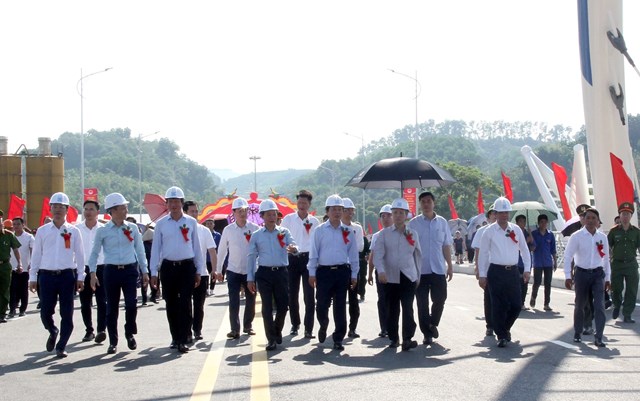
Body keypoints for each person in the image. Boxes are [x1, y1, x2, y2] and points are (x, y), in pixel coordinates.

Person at [89, 193, 148, 354]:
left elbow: (140, 250)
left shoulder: (133, 228)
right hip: (111, 271)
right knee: (111, 308)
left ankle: (129, 332)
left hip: (129, 270)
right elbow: (94, 253)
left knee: (131, 304)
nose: (126, 210)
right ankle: (113, 341)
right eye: (123, 207)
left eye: (125, 207)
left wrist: (145, 271)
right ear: (113, 210)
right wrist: (92, 273)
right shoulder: (103, 230)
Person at [149, 186, 205, 354]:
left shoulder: (191, 222)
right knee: (171, 303)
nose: (174, 205)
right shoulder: (160, 224)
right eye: (170, 201)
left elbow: (197, 246)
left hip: (187, 267)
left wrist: (199, 270)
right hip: (168, 267)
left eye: (176, 201)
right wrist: (153, 272)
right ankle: (175, 337)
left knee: (186, 303)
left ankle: (184, 337)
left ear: (182, 203)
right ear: (167, 204)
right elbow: (156, 249)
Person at [29, 192, 85, 357]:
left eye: (62, 207)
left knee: (67, 312)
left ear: (67, 209)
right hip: (46, 276)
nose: (58, 210)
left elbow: (80, 256)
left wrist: (80, 277)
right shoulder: (42, 231)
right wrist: (33, 277)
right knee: (45, 311)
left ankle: (61, 346)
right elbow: (36, 255)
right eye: (55, 206)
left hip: (67, 276)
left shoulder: (74, 231)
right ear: (50, 208)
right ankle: (52, 330)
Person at [307, 195, 359, 351]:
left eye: (340, 209)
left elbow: (354, 255)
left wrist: (354, 274)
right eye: (334, 209)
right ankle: (323, 324)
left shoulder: (348, 231)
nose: (337, 212)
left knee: (340, 306)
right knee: (321, 304)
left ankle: (338, 338)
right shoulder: (319, 230)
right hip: (324, 272)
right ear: (327, 211)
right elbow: (314, 253)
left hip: (342, 272)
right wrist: (312, 272)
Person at [478, 197, 531, 348]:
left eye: (506, 213)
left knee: (516, 304)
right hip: (496, 271)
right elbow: (483, 254)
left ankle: (504, 328)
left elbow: (525, 251)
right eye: (500, 213)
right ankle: (501, 335)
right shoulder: (489, 232)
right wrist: (482, 275)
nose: (504, 216)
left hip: (512, 271)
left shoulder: (516, 230)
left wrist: (527, 269)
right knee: (498, 305)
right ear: (495, 213)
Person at [247, 199, 297, 351]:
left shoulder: (284, 232)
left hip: (281, 273)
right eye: (268, 214)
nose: (272, 217)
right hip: (264, 274)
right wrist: (250, 278)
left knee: (283, 306)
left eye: (274, 214)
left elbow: (293, 245)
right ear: (262, 216)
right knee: (267, 307)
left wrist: (293, 249)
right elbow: (251, 256)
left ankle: (277, 330)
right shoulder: (256, 235)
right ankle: (271, 339)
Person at [373, 198, 422, 351]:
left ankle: (407, 338)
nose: (398, 215)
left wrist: (417, 276)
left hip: (408, 276)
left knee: (408, 307)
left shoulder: (412, 234)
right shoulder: (383, 234)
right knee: (392, 309)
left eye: (401, 213)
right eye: (395, 213)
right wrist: (380, 271)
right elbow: (378, 255)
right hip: (390, 277)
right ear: (391, 215)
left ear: (406, 214)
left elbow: (418, 256)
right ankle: (394, 338)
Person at [408, 191, 453, 345]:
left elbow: (446, 245)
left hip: (438, 269)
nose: (426, 204)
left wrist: (450, 266)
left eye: (429, 201)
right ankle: (427, 333)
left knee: (440, 299)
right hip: (420, 270)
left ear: (434, 203)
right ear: (420, 204)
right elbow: (409, 248)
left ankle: (433, 323)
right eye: (423, 202)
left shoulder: (442, 223)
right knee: (422, 303)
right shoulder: (413, 224)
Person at [564, 207, 611, 347]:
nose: (591, 221)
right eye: (588, 218)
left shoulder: (602, 237)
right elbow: (567, 256)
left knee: (600, 306)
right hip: (581, 274)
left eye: (594, 218)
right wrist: (568, 276)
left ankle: (599, 336)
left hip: (597, 274)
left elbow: (606, 258)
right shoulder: (576, 236)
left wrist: (608, 278)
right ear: (584, 220)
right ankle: (578, 332)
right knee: (580, 304)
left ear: (598, 221)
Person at [218, 197, 259, 339]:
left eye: (245, 211)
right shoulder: (228, 230)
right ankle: (234, 329)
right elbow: (222, 250)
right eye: (239, 211)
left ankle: (248, 325)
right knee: (234, 300)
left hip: (250, 271)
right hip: (233, 270)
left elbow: (260, 249)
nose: (242, 213)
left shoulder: (254, 228)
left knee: (250, 299)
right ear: (234, 212)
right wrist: (218, 270)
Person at [280, 189, 320, 338]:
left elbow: (317, 244)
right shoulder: (288, 219)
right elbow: (281, 238)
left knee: (309, 295)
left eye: (305, 203)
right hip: (292, 259)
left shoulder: (315, 222)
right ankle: (295, 324)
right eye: (299, 202)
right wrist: (286, 248)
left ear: (309, 204)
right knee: (292, 295)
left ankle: (308, 328)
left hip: (308, 259)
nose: (302, 205)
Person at [183, 200, 219, 341]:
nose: (195, 214)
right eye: (192, 211)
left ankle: (197, 329)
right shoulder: (182, 228)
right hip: (185, 273)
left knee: (199, 305)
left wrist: (214, 270)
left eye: (196, 211)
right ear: (185, 212)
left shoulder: (204, 230)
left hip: (202, 273)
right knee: (186, 304)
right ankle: (187, 331)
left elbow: (212, 251)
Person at [76, 199, 107, 343]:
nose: (88, 212)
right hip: (84, 269)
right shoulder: (77, 229)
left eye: (91, 209)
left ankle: (102, 329)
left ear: (97, 212)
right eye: (86, 209)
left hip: (101, 268)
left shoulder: (103, 229)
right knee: (85, 302)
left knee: (102, 301)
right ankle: (89, 330)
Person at [607, 202, 639, 323]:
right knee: (616, 288)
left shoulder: (636, 232)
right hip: (617, 264)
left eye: (627, 214)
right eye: (623, 214)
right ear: (619, 216)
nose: (625, 216)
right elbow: (606, 247)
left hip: (631, 264)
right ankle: (616, 304)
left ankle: (627, 314)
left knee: (632, 290)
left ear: (631, 216)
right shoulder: (614, 231)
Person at [339, 198, 366, 339]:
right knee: (340, 300)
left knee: (353, 300)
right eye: (346, 210)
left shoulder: (357, 228)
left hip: (353, 267)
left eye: (351, 210)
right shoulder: (336, 228)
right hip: (339, 268)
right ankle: (340, 328)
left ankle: (352, 328)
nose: (349, 213)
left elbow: (360, 247)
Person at [367, 204, 393, 337]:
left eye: (389, 215)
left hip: (395, 272)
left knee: (393, 300)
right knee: (382, 299)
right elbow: (373, 255)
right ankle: (384, 327)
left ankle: (393, 326)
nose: (386, 218)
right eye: (383, 216)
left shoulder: (401, 233)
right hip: (381, 272)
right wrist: (370, 273)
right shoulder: (376, 236)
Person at [472, 208, 496, 336]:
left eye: (497, 215)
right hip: (486, 269)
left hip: (500, 269)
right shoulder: (481, 232)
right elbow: (478, 251)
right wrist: (478, 269)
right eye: (493, 216)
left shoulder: (505, 231)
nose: (495, 218)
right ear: (488, 218)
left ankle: (500, 323)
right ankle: (490, 325)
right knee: (489, 297)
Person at [529, 214, 557, 311]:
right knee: (537, 282)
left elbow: (553, 249)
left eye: (545, 222)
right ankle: (533, 297)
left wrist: (555, 261)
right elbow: (532, 248)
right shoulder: (534, 234)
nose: (543, 224)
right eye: (541, 222)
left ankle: (546, 303)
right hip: (538, 263)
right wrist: (530, 237)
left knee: (548, 283)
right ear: (538, 223)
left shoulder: (550, 234)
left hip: (548, 262)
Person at [8, 218, 34, 318]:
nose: (16, 226)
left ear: (23, 225)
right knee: (12, 289)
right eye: (14, 224)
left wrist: (31, 263)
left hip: (25, 268)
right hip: (12, 267)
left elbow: (33, 251)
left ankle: (22, 309)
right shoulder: (10, 236)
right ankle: (12, 309)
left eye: (18, 224)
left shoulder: (29, 237)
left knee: (23, 289)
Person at [1, 213, 22, 323]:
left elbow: (15, 249)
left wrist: (19, 263)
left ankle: (2, 314)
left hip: (4, 266)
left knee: (5, 290)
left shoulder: (9, 235)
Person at [514, 214, 534, 310]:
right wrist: (526, 240)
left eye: (524, 221)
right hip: (516, 262)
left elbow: (534, 246)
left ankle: (522, 302)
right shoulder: (513, 233)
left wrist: (530, 234)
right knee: (516, 283)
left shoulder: (526, 233)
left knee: (525, 283)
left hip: (526, 263)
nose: (523, 223)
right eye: (521, 221)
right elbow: (516, 246)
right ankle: (516, 302)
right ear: (517, 223)